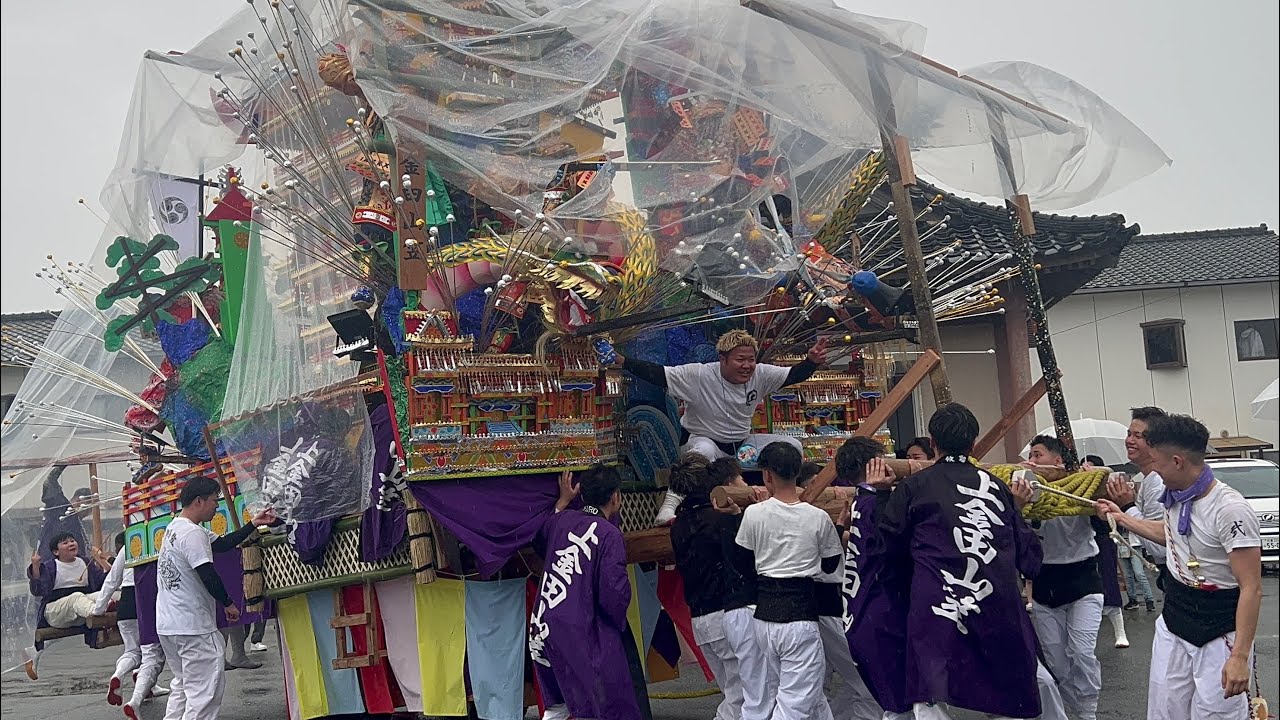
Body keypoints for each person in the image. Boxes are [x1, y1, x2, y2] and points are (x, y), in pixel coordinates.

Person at [879, 404, 1064, 720]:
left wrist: (876, 497)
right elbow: (1030, 559)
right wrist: (1015, 511)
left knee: (929, 697)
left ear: (932, 442)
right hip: (997, 607)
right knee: (1013, 687)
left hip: (937, 608)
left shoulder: (913, 487)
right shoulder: (994, 487)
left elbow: (888, 550)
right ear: (975, 443)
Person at [1096, 414, 1262, 720]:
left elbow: (1251, 586)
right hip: (1175, 617)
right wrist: (1122, 518)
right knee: (1164, 711)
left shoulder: (1230, 510)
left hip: (1219, 624)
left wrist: (1239, 656)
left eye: (1157, 464)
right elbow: (1171, 533)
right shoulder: (1175, 496)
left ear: (1177, 461)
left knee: (1216, 714)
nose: (1154, 471)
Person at [611, 330, 828, 520]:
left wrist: (811, 362)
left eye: (751, 359)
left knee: (791, 446)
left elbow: (793, 375)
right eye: (740, 360)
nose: (747, 366)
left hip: (742, 449)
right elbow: (658, 373)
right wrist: (622, 361)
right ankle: (669, 506)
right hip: (706, 446)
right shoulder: (699, 374)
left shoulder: (760, 373)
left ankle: (790, 497)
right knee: (702, 449)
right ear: (722, 359)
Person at [734, 442, 843, 720]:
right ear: (798, 472)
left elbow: (742, 563)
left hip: (764, 615)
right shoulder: (817, 517)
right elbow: (831, 564)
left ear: (766, 475)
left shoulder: (754, 513)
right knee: (796, 700)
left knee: (807, 693)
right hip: (800, 615)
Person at [156, 476, 275, 720]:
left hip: (169, 624)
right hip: (193, 625)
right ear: (199, 501)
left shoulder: (175, 527)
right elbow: (208, 574)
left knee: (183, 685)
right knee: (204, 692)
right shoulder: (192, 534)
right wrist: (228, 604)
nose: (217, 506)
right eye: (214, 500)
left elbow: (223, 544)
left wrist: (253, 523)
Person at [530, 466, 641, 720]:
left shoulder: (560, 521)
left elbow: (541, 538)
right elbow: (614, 591)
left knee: (559, 704)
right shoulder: (608, 534)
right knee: (604, 702)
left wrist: (563, 501)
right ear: (616, 497)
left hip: (543, 624)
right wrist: (617, 624)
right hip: (581, 628)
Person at [1023, 435, 1104, 719]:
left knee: (1081, 652)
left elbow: (1103, 526)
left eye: (1038, 455)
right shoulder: (1027, 492)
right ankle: (1075, 706)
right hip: (1046, 584)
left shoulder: (1082, 487)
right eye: (1030, 456)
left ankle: (1088, 711)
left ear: (1058, 461)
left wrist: (1096, 491)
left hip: (1083, 580)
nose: (1032, 461)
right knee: (1056, 662)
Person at [831, 436, 908, 720]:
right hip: (884, 609)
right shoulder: (870, 503)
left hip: (860, 609)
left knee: (876, 691)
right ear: (873, 464)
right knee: (897, 698)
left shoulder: (859, 503)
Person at [670, 457, 743, 720]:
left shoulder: (679, 524)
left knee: (733, 692)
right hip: (726, 613)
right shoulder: (717, 519)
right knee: (742, 696)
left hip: (700, 618)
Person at [705, 457, 766, 719]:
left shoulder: (703, 519)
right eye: (741, 479)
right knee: (755, 693)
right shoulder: (731, 520)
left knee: (749, 690)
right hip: (745, 609)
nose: (746, 483)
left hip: (729, 612)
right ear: (730, 485)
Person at [92, 531, 169, 714]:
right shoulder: (160, 539)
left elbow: (111, 580)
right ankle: (136, 698)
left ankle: (118, 674)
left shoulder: (128, 547)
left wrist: (98, 609)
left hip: (126, 602)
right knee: (154, 654)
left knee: (132, 650)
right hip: (149, 599)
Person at [1107, 407, 1170, 589]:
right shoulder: (1149, 479)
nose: (1129, 441)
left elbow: (1160, 548)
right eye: (1128, 434)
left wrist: (1127, 506)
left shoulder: (1158, 482)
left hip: (1173, 572)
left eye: (1138, 436)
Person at [1082, 453, 1130, 649]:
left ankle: (1120, 631)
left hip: (1102, 537)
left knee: (1108, 580)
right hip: (1083, 539)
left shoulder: (1107, 488)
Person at [1116, 508, 1157, 612]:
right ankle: (1132, 600)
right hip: (1121, 545)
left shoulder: (1131, 511)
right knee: (1127, 575)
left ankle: (1149, 600)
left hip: (1134, 545)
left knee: (1139, 573)